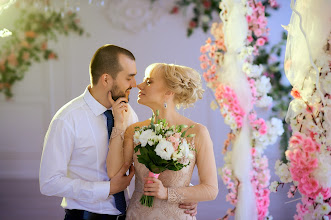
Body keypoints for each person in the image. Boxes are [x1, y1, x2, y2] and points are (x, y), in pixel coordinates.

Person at [39, 44, 197, 220]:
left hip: (126, 215)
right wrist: (107, 189)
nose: (135, 84)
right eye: (129, 77)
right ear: (106, 79)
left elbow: (146, 162)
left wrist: (184, 192)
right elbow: (49, 182)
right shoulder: (67, 119)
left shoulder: (128, 113)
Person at [107, 63, 219, 220]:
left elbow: (210, 189)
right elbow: (114, 172)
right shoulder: (134, 131)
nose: (139, 85)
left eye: (149, 82)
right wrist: (118, 125)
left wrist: (168, 193)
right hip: (138, 215)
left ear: (169, 91)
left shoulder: (197, 132)